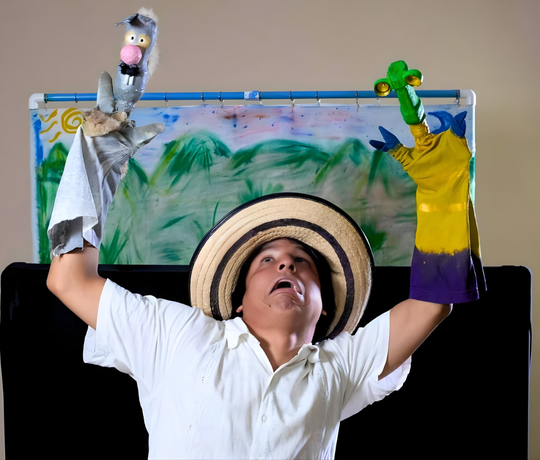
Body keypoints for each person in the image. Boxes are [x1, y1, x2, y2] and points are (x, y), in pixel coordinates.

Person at [46, 70, 484, 459]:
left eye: (302, 263)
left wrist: (442, 193)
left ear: (325, 307)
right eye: (268, 260)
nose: (286, 266)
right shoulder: (177, 334)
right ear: (238, 300)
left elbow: (432, 304)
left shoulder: (342, 367)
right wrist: (96, 161)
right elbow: (69, 280)